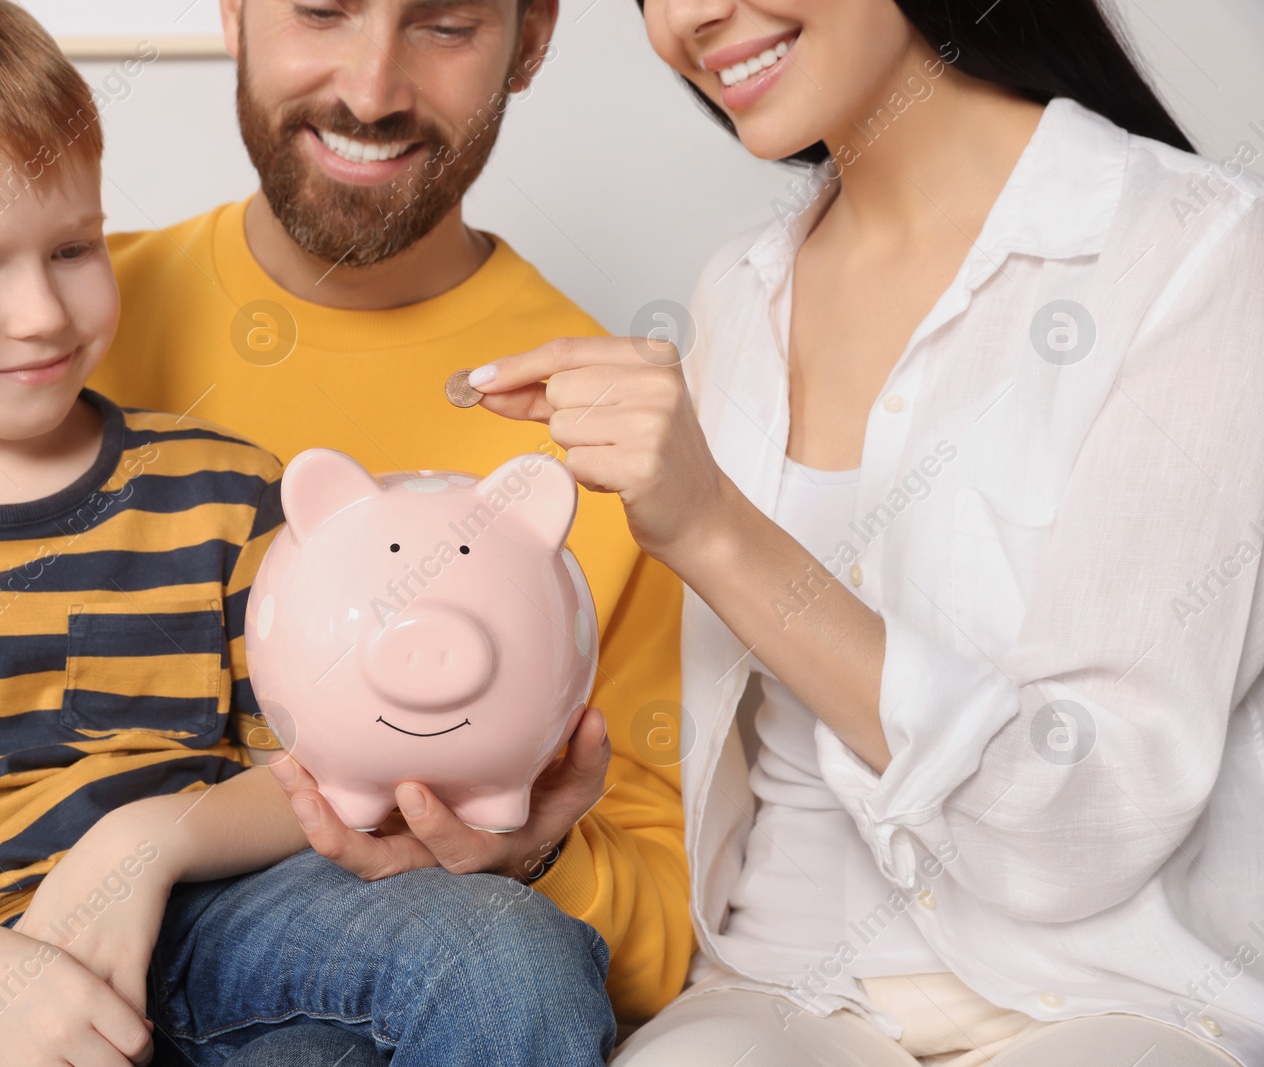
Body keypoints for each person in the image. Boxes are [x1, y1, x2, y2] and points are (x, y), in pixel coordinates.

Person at [0, 0, 694, 1060]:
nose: (41, 315)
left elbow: (310, 780)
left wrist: (147, 842)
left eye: (73, 248)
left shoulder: (227, 489)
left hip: (201, 936)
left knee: (495, 953)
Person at [461, 0, 1264, 1063]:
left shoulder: (1199, 252)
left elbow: (1089, 824)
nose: (693, 16)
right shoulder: (736, 293)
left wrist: (716, 531)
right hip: (776, 990)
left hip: (1110, 1001)